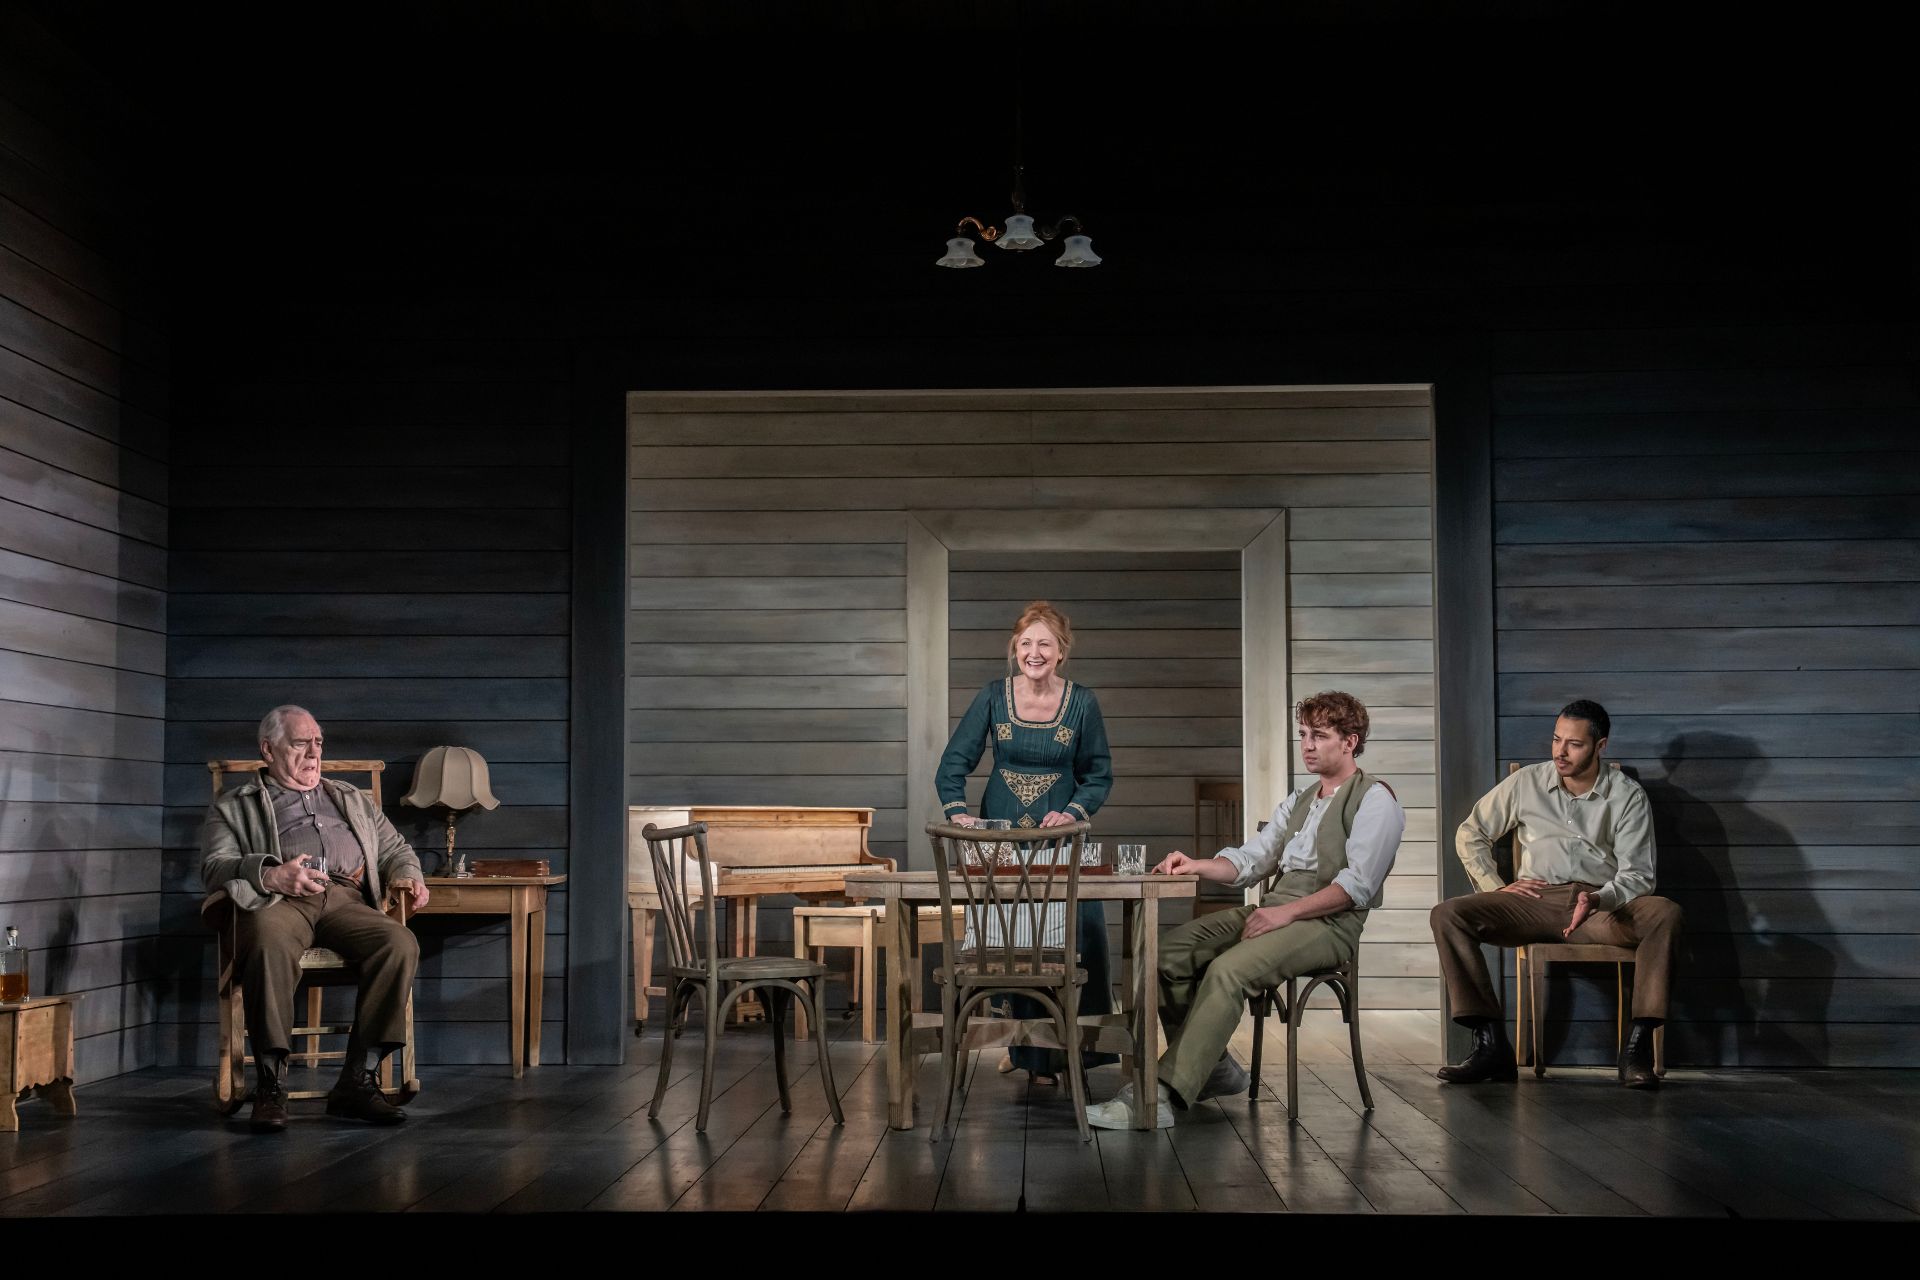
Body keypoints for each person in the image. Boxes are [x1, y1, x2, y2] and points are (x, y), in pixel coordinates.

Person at [1087, 691, 1404, 1129]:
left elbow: (1358, 887)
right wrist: (1195, 864)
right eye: (1303, 735)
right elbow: (1250, 862)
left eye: (1319, 735)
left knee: (1228, 970)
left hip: (1328, 923)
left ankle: (1160, 1096)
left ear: (1350, 742)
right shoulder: (1300, 799)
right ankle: (1212, 1067)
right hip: (1277, 909)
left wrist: (1286, 914)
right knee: (1166, 955)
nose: (1307, 745)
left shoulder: (1375, 800)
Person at [1430, 699, 1683, 1089]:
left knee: (1664, 913)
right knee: (1448, 914)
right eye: (1555, 739)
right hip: (1533, 901)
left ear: (1600, 747)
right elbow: (1471, 832)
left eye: (1574, 744)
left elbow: (1639, 874)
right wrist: (1497, 887)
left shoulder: (1627, 795)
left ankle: (1637, 1048)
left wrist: (1599, 899)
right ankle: (1490, 1043)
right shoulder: (1526, 782)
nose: (1560, 752)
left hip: (1600, 907)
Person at [202, 705, 429, 1132]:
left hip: (346, 899)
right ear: (268, 749)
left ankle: (357, 1083)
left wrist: (408, 877)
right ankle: (270, 1084)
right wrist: (271, 873)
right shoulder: (235, 805)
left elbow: (397, 849)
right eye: (300, 743)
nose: (313, 753)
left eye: (318, 742)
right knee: (266, 940)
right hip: (278, 901)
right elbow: (215, 867)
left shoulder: (350, 799)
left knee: (399, 943)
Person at [935, 600, 1115, 1082]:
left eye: (1045, 644)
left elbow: (1098, 775)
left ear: (1061, 652)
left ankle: (1078, 1049)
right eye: (1026, 643)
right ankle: (1028, 1053)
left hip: (1061, 841)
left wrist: (1073, 812)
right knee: (1016, 940)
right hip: (1001, 838)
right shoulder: (994, 697)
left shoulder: (1083, 702)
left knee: (1080, 934)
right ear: (1015, 648)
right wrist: (960, 816)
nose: (1034, 653)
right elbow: (952, 765)